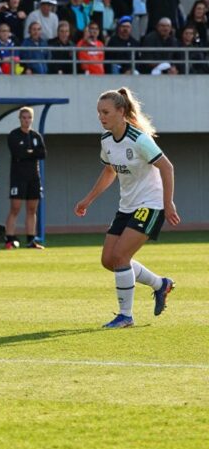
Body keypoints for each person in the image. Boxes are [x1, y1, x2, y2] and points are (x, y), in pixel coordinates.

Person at [73, 88, 178, 329]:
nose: (101, 117)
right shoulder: (106, 140)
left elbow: (167, 167)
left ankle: (125, 316)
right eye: (99, 112)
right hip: (127, 207)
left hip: (150, 205)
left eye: (106, 112)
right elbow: (110, 171)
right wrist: (88, 199)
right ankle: (161, 284)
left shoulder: (139, 139)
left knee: (121, 257)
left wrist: (167, 202)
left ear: (121, 112)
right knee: (109, 260)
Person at [4, 107, 46, 249]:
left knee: (32, 209)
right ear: (20, 119)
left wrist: (29, 152)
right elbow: (18, 154)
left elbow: (42, 153)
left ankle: (30, 240)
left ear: (32, 119)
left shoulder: (36, 136)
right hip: (18, 177)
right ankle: (9, 239)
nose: (26, 120)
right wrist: (31, 153)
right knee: (15, 208)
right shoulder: (14, 135)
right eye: (24, 117)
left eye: (29, 117)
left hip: (34, 177)